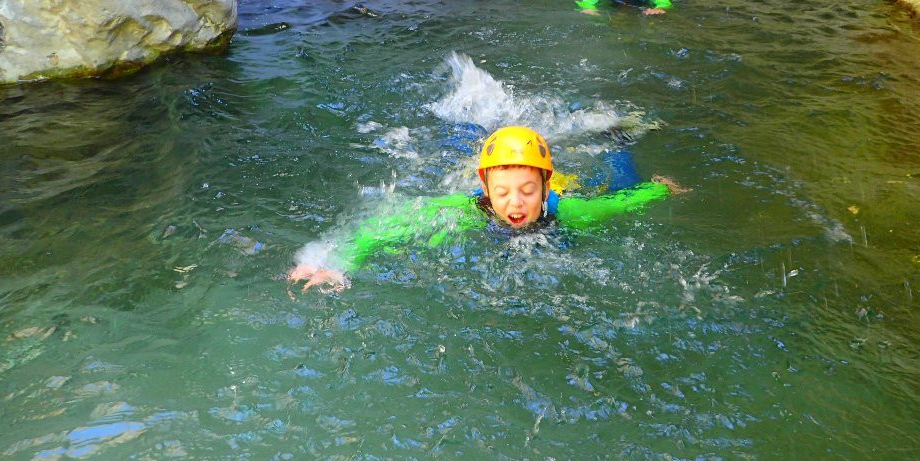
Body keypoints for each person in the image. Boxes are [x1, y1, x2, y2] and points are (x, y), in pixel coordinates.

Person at [287, 125, 685, 290]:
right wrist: (340, 261)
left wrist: (657, 191)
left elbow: (617, 205)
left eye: (529, 191)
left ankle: (618, 139)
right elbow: (388, 226)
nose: (516, 203)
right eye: (504, 191)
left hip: (576, 190)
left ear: (546, 185)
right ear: (485, 188)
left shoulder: (565, 210)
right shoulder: (467, 209)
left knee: (620, 180)